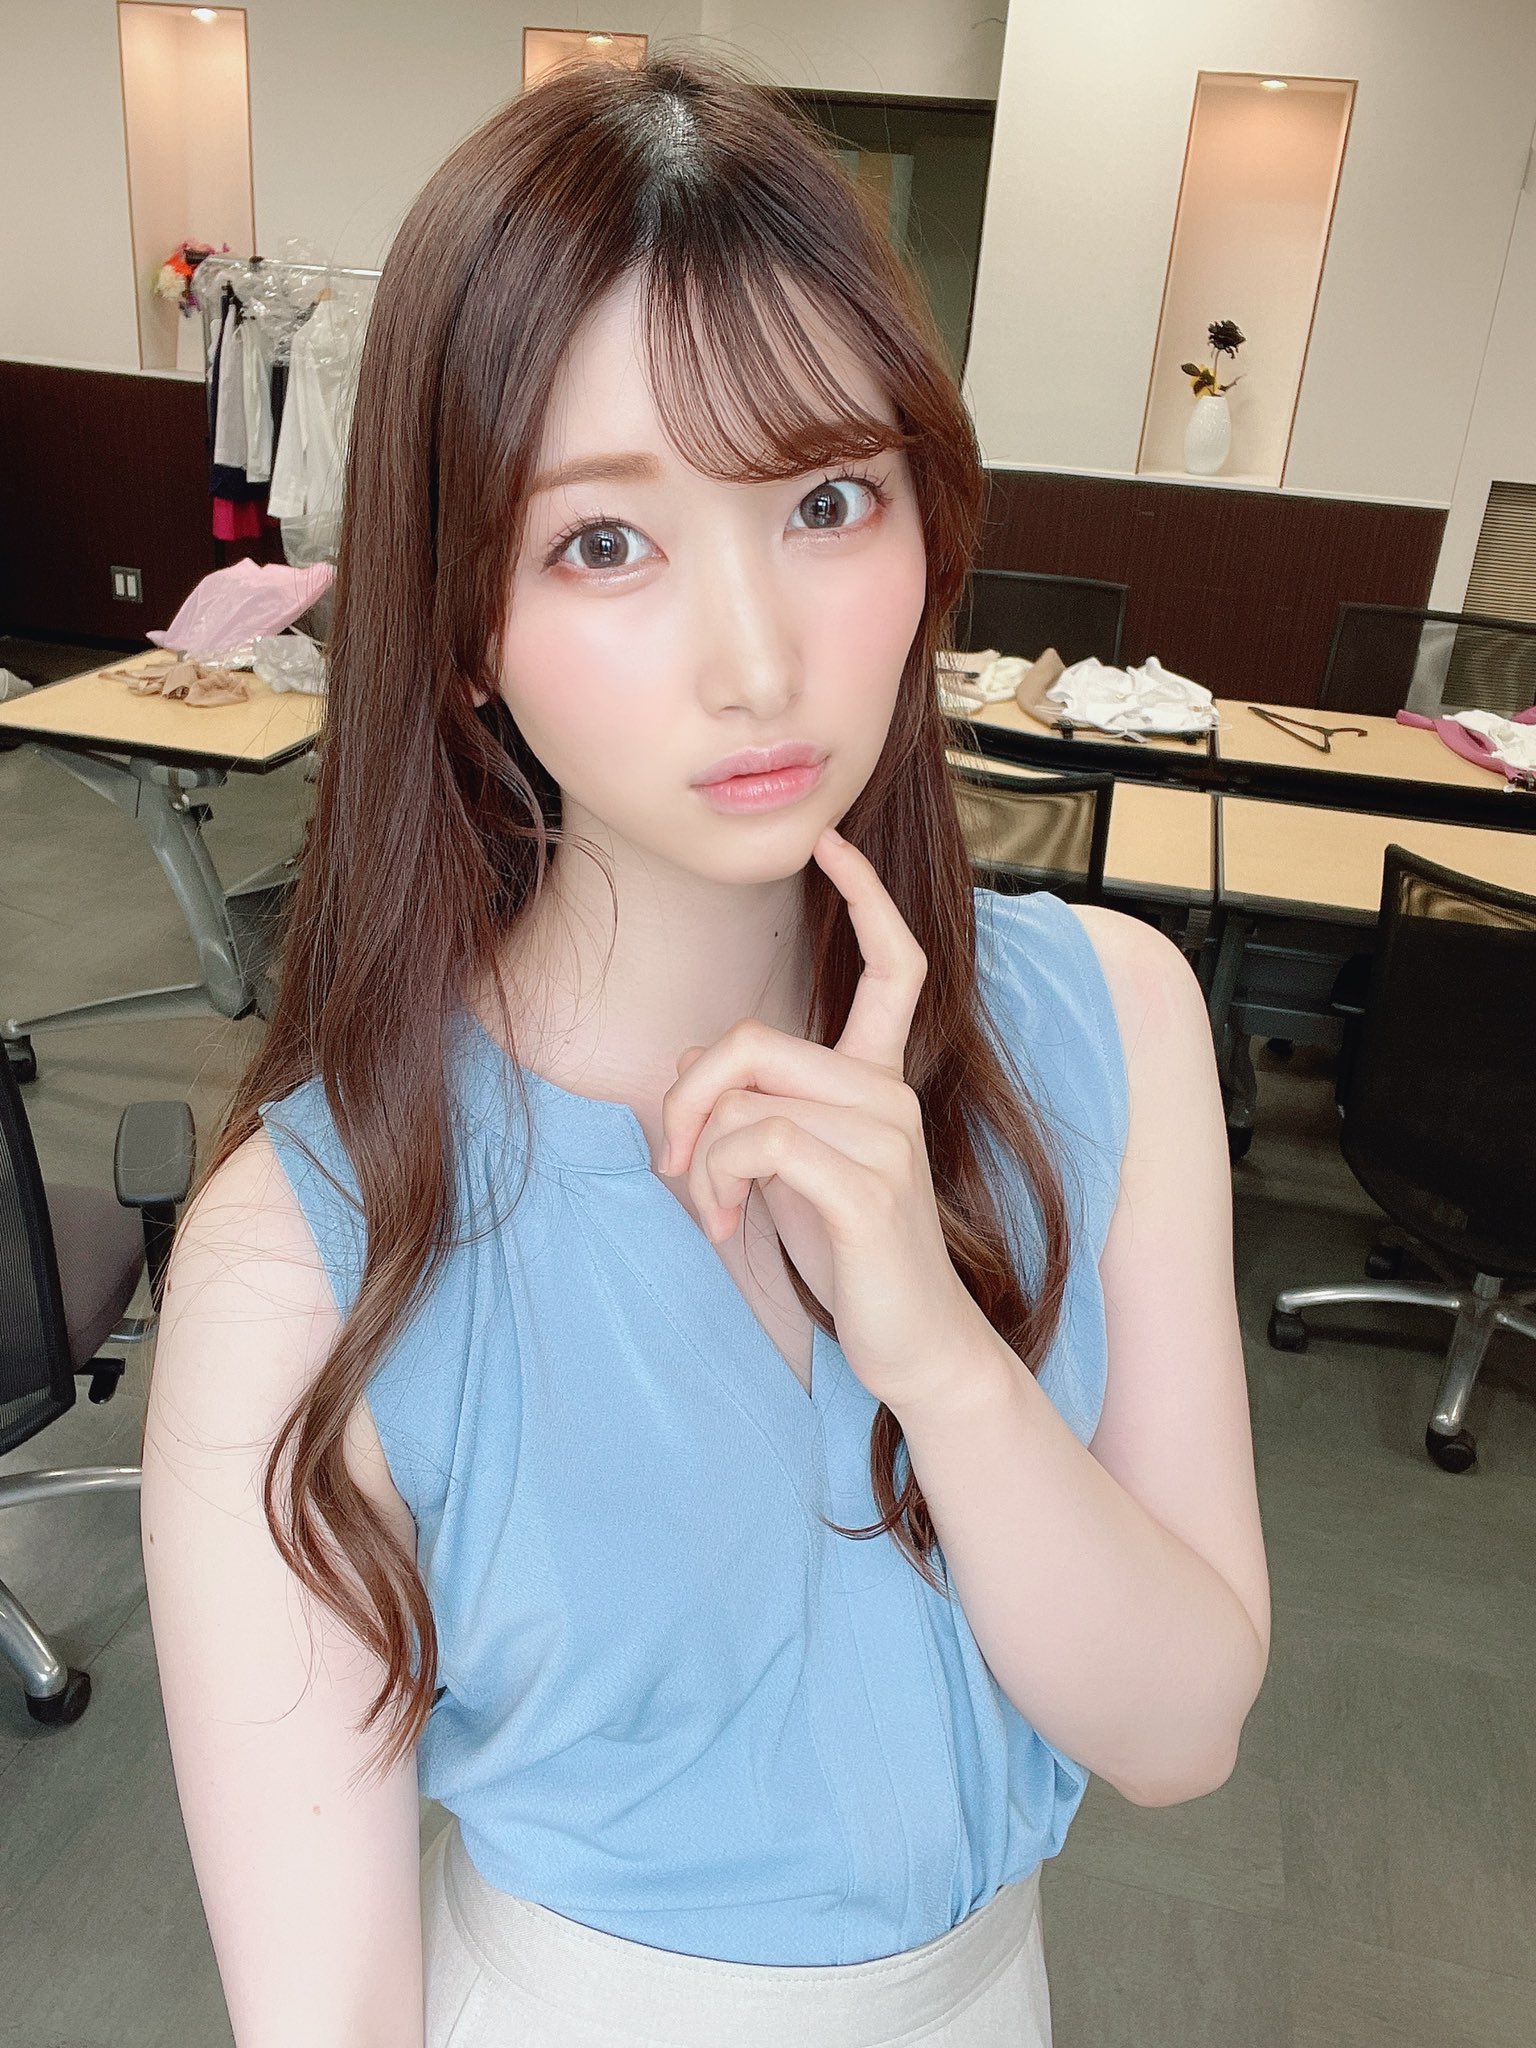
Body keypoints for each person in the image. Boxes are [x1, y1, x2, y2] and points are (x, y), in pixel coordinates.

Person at [138, 48, 1271, 2048]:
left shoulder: (1113, 1018)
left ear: (929, 521)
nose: (758, 660)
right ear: (464, 620)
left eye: (825, 501)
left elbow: (1182, 1733)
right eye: (606, 541)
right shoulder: (305, 1251)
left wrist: (936, 1350)